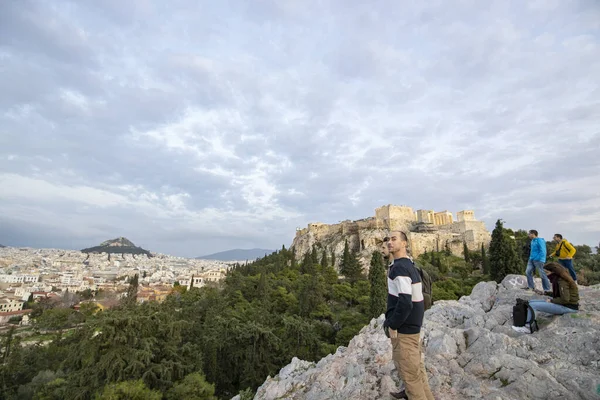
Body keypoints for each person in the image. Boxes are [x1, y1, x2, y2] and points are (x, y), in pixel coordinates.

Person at [384, 231, 434, 400]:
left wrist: (392, 324)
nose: (389, 242)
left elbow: (405, 302)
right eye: (388, 239)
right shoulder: (408, 264)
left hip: (404, 333)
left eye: (394, 239)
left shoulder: (400, 268)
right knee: (417, 375)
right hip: (413, 329)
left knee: (411, 381)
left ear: (404, 243)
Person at [513, 262, 579, 334]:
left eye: (547, 272)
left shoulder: (562, 282)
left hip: (568, 307)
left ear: (554, 272)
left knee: (533, 305)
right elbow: (560, 295)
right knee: (530, 302)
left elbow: (565, 299)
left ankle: (527, 328)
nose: (546, 274)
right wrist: (545, 293)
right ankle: (524, 317)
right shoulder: (559, 279)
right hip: (564, 305)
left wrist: (551, 301)